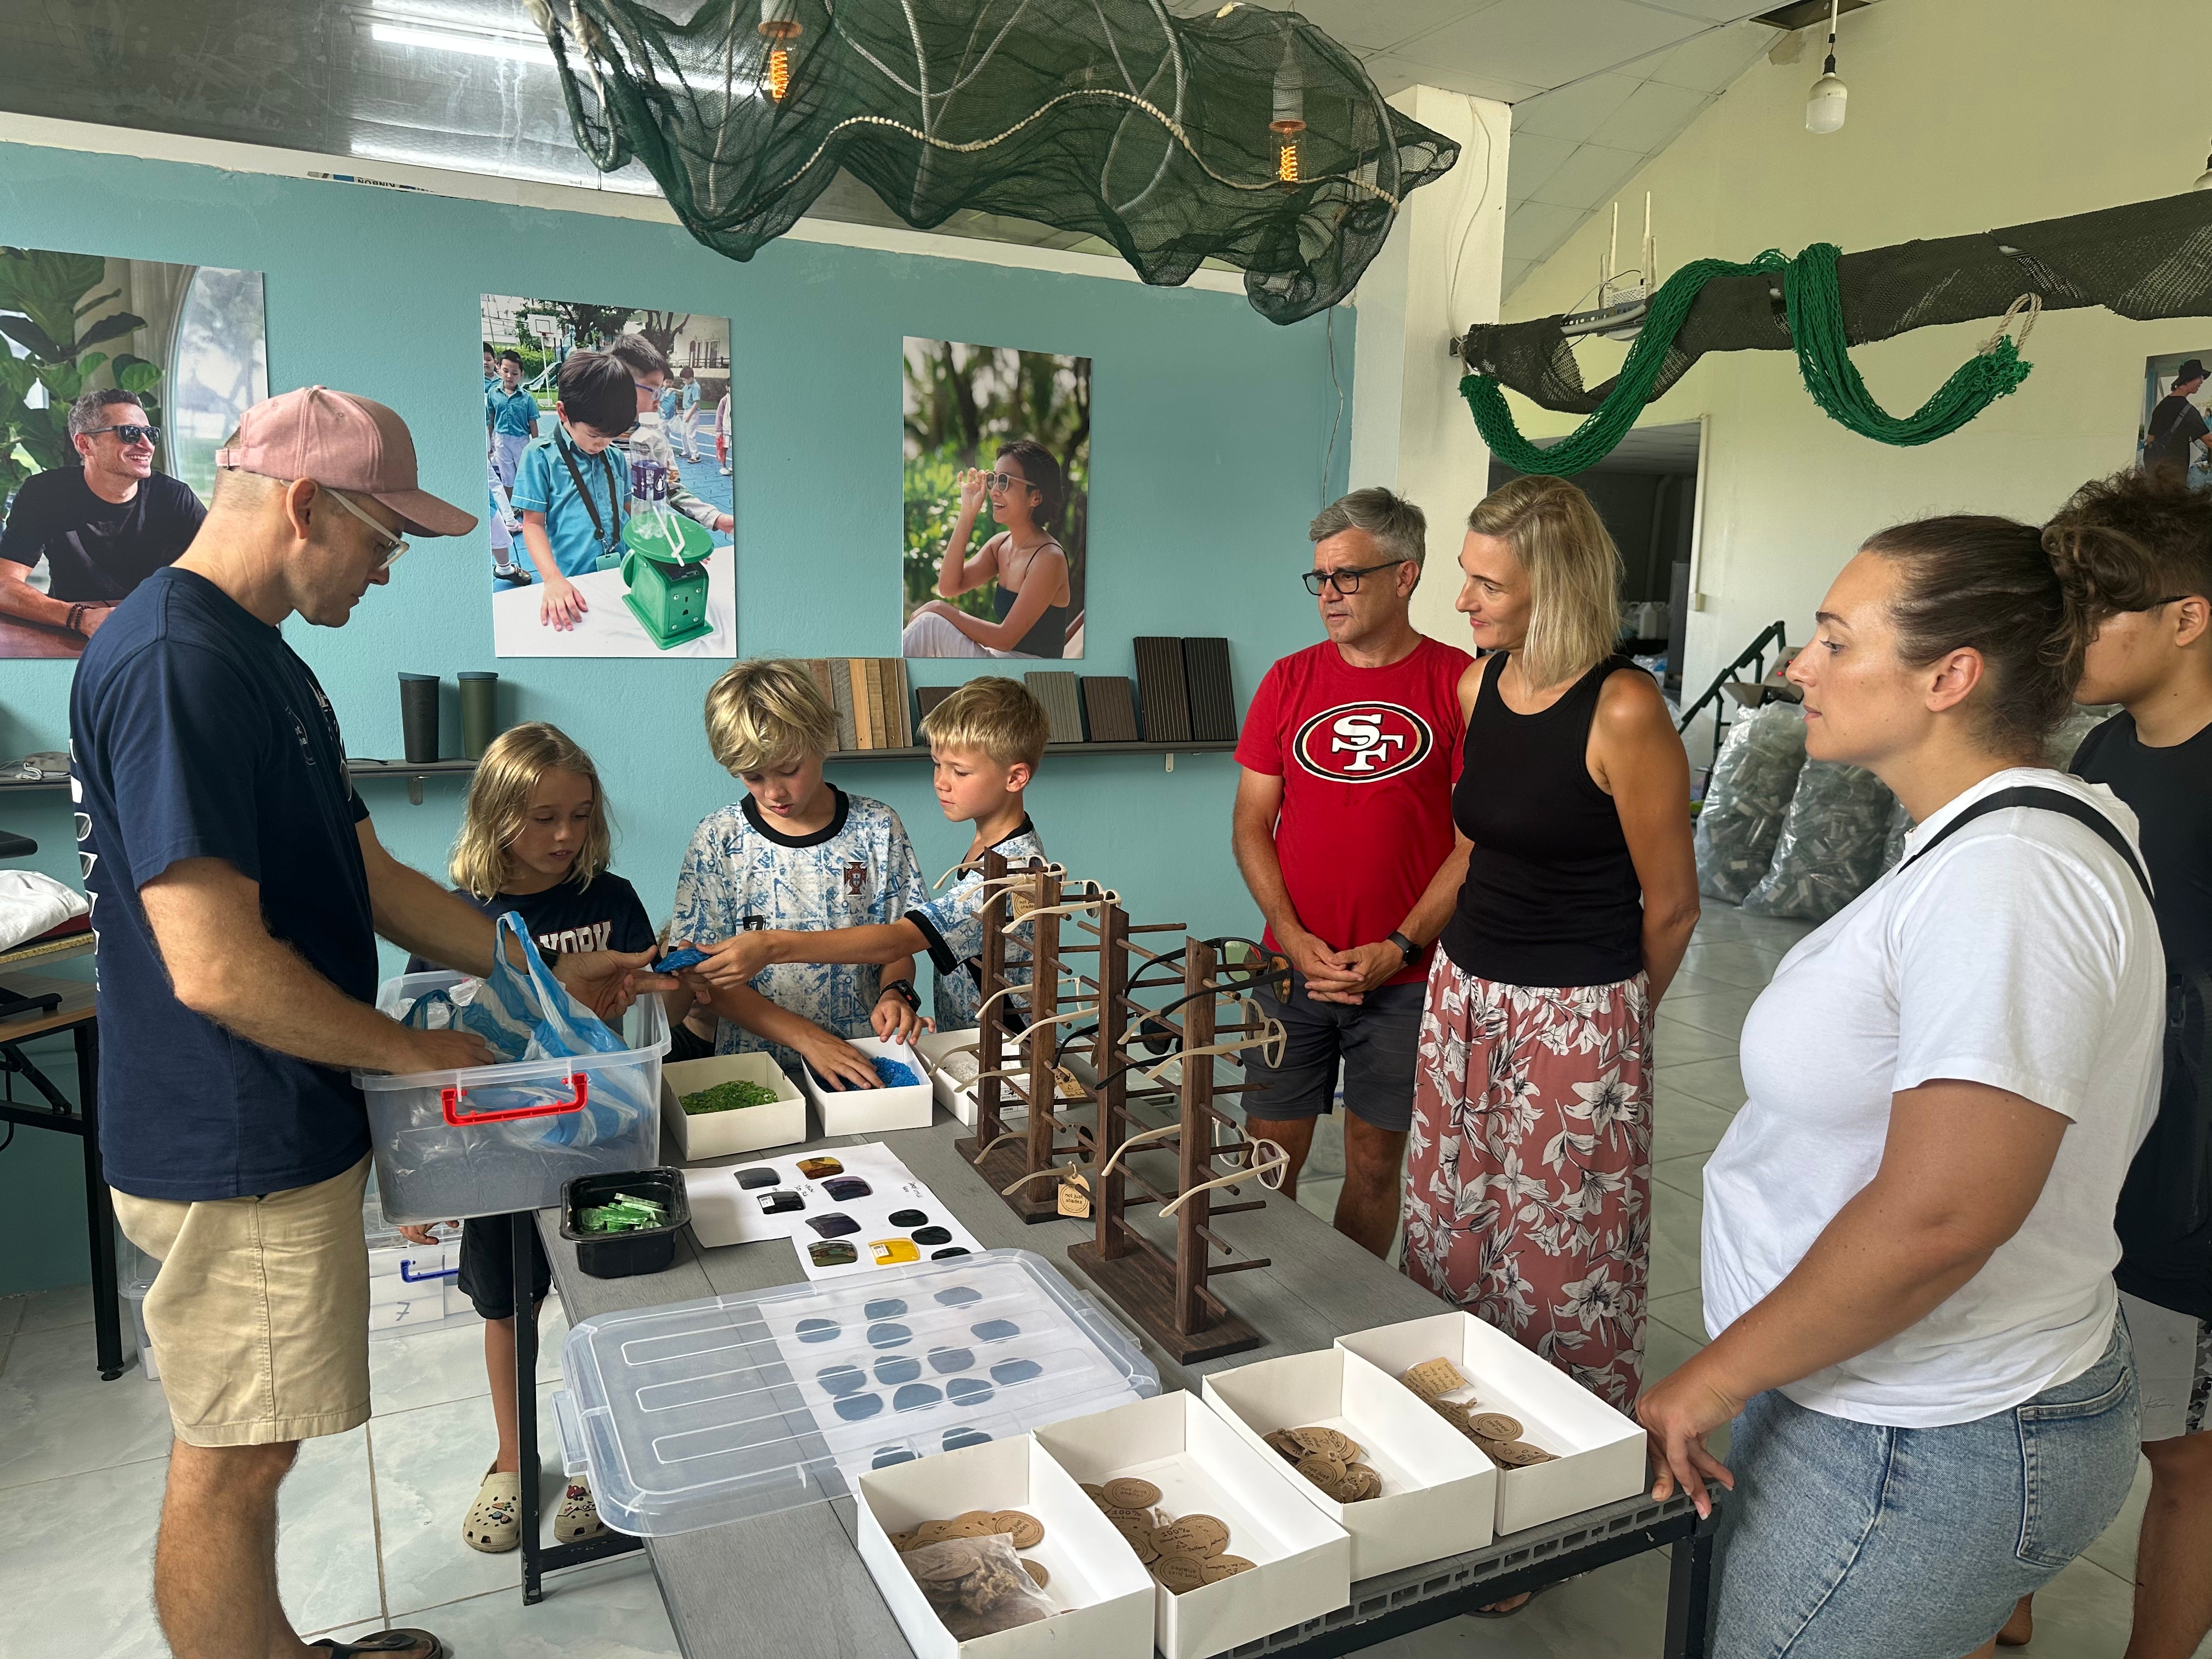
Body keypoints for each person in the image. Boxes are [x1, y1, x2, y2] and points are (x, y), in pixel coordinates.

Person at [70, 385, 664, 1659]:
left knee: (257, 1438)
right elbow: (217, 968)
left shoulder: (259, 658)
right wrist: (414, 1050)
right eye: (384, 542)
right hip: (231, 1129)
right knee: (237, 1453)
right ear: (302, 505)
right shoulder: (180, 663)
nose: (391, 572)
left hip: (275, 1112)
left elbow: (371, 878)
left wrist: (540, 976)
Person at [1639, 514, 2163, 1659]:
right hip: (1869, 1388)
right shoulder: (1984, 846)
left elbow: (1942, 1215)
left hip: (1921, 1435)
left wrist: (1707, 1380)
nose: (1797, 666)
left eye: (1834, 639)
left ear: (1950, 675)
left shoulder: (2013, 879)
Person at [1401, 475, 1697, 1417]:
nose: (1460, 602)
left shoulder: (1624, 708)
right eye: (1465, 577)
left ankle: (1563, 1462)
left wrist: (1612, 1027)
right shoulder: (1475, 682)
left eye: (1485, 584)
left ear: (1556, 584)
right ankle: (1452, 1429)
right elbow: (1475, 841)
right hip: (1464, 996)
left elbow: (1674, 905)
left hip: (1576, 1009)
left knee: (1564, 1256)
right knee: (1449, 1224)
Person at [1994, 469, 2212, 1659]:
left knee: (2182, 1457)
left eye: (2099, 612)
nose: (2071, 638)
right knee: (2038, 1395)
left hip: (2190, 1180)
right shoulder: (2102, 754)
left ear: (2188, 616)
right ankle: (2003, 1600)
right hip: (2087, 1157)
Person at [396, 723, 653, 1556]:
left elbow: (657, 1023)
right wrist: (415, 1177)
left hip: (603, 1148)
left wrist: (659, 996)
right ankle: (513, 1459)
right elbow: (421, 1046)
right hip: (496, 1161)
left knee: (602, 1308)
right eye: (543, 818)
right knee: (509, 1304)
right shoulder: (456, 919)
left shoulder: (609, 899)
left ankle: (591, 1460)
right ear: (496, 815)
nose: (565, 836)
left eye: (580, 815)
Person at [1232, 488, 1472, 1259]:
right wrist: (1296, 939)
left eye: (1348, 577)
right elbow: (1250, 825)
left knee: (1374, 1167)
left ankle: (1347, 1317)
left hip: (1405, 982)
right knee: (1266, 1161)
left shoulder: (1460, 685)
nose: (1329, 596)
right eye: (1319, 579)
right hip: (1289, 969)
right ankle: (1253, 1305)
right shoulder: (1288, 681)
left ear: (1405, 576)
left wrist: (1399, 946)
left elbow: (1474, 846)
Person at [694, 676, 1048, 1031]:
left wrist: (771, 946)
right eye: (937, 764)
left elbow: (897, 940)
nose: (941, 781)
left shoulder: (1011, 869)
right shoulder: (989, 847)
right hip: (971, 1041)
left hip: (1006, 1050)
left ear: (1015, 778)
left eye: (960, 771)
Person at [668, 658, 929, 1087]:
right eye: (752, 776)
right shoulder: (718, 838)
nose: (774, 792)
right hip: (756, 1075)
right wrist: (809, 1039)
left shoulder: (877, 827)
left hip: (861, 1063)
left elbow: (899, 942)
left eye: (789, 769)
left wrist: (894, 993)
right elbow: (707, 978)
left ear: (822, 739)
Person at [0, 388, 205, 645]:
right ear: (85, 444)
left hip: (159, 635)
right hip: (72, 635)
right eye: (129, 433)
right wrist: (82, 619)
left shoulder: (174, 498)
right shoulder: (45, 494)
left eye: (150, 434)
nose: (147, 445)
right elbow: (4, 586)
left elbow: (225, 574)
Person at [902, 438, 1073, 659]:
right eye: (993, 479)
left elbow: (1005, 639)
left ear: (1036, 497)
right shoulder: (1001, 545)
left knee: (929, 625)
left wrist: (940, 609)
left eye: (1005, 482)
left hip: (1029, 675)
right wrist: (968, 511)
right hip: (1001, 663)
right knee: (928, 626)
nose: (994, 491)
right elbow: (949, 586)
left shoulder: (1050, 558)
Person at [511, 351, 634, 631]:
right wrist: (553, 580)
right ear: (564, 412)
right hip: (572, 585)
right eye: (594, 435)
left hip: (625, 574)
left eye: (611, 436)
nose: (603, 443)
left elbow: (629, 513)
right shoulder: (540, 457)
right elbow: (533, 525)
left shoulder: (615, 457)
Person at [602, 334, 732, 537]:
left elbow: (671, 488)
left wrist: (714, 517)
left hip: (644, 538)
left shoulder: (656, 441)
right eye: (654, 391)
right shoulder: (593, 438)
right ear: (621, 386)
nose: (659, 401)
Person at [484, 349, 538, 586]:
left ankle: (526, 508)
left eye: (514, 372)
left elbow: (533, 424)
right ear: (499, 369)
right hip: (502, 440)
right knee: (506, 479)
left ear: (521, 375)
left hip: (522, 440)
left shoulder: (526, 398)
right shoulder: (493, 394)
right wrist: (490, 442)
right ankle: (511, 511)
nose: (509, 376)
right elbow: (491, 420)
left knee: (524, 475)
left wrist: (535, 444)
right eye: (505, 371)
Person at [2146, 360, 2212, 476]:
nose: (2202, 382)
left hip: (2157, 470)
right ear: (2187, 381)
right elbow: (2209, 441)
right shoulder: (2188, 411)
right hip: (2176, 472)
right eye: (2200, 378)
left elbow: (2151, 439)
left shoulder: (2161, 406)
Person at [675, 365, 703, 462]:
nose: (684, 382)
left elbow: (696, 403)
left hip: (693, 413)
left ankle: (696, 456)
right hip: (687, 411)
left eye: (684, 380)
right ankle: (686, 451)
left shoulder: (696, 387)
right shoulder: (688, 385)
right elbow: (681, 392)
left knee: (690, 435)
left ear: (691, 379)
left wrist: (689, 416)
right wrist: (672, 390)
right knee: (683, 433)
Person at [717, 390, 733, 477]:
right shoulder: (724, 400)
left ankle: (733, 465)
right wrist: (719, 431)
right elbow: (719, 416)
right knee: (724, 449)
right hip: (726, 429)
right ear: (727, 388)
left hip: (735, 430)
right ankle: (723, 467)